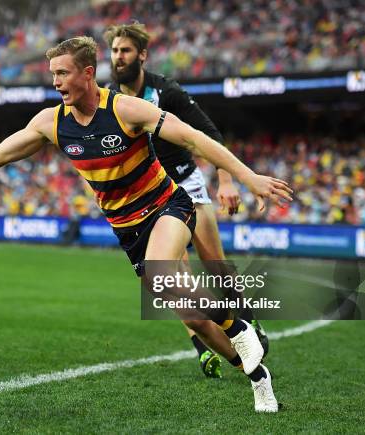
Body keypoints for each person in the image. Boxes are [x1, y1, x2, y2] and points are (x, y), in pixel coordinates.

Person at [0, 36, 291, 412]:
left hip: (168, 205)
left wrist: (247, 177)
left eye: (62, 73)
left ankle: (239, 328)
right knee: (194, 320)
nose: (55, 82)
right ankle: (258, 378)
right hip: (127, 229)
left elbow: (194, 138)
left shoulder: (125, 110)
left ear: (87, 73)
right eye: (52, 74)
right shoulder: (51, 123)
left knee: (160, 276)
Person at [104, 22, 269, 379]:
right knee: (173, 278)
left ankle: (251, 327)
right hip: (152, 197)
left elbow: (207, 135)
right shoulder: (109, 99)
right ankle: (203, 345)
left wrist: (225, 180)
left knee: (215, 264)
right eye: (115, 50)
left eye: (126, 50)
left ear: (142, 55)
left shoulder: (167, 92)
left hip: (186, 184)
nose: (119, 57)